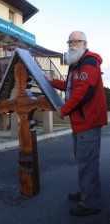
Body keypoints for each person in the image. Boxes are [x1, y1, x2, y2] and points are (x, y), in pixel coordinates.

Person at [44, 31, 108, 216]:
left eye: (76, 41)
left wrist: (63, 109)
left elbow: (83, 91)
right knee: (84, 162)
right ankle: (87, 192)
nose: (72, 44)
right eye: (70, 41)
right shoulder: (77, 63)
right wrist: (52, 81)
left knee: (87, 164)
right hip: (81, 122)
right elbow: (70, 87)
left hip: (87, 121)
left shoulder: (89, 62)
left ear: (85, 43)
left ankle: (90, 203)